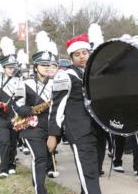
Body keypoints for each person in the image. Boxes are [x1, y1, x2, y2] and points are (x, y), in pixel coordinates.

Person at [47, 33, 101, 194]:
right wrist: (53, 134)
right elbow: (56, 107)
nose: (82, 57)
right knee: (88, 172)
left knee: (92, 170)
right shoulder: (65, 76)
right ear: (71, 58)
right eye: (77, 55)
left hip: (96, 130)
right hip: (78, 130)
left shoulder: (94, 73)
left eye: (85, 53)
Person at [14, 50, 57, 194]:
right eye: (43, 64)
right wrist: (35, 109)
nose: (46, 67)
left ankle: (36, 181)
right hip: (32, 127)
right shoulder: (25, 83)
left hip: (51, 127)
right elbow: (19, 107)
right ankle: (40, 190)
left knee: (44, 157)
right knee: (40, 157)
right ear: (35, 66)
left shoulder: (55, 82)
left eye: (49, 64)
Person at [0, 54, 20, 178]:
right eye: (9, 67)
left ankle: (12, 165)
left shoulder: (19, 82)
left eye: (13, 67)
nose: (11, 70)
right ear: (3, 67)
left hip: (14, 116)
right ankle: (3, 168)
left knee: (13, 142)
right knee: (4, 141)